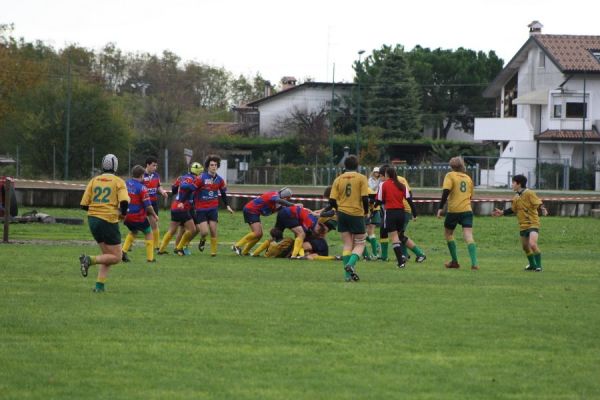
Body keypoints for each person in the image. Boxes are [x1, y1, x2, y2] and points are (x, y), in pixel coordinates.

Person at [79, 154, 130, 292]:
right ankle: (89, 260)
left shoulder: (94, 180)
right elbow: (124, 202)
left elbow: (83, 205)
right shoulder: (118, 181)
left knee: (107, 256)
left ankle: (99, 286)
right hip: (108, 219)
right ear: (116, 166)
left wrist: (97, 209)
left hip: (93, 220)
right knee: (117, 257)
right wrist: (122, 214)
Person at [492, 174, 548, 271]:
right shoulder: (516, 197)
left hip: (532, 223)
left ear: (519, 184)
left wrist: (543, 209)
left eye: (513, 183)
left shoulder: (529, 193)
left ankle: (539, 266)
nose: (512, 185)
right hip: (523, 225)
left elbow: (538, 203)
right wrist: (502, 212)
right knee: (525, 247)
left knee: (532, 244)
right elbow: (513, 209)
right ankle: (532, 265)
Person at [329, 154, 369, 282]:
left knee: (347, 244)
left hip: (342, 213)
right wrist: (366, 211)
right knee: (360, 243)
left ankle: (347, 276)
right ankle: (350, 264)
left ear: (344, 166)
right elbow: (365, 197)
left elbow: (331, 200)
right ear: (357, 166)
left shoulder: (338, 179)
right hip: (356, 213)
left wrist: (337, 209)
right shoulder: (361, 178)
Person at [376, 167, 426, 268]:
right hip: (401, 213)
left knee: (394, 237)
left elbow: (380, 200)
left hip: (390, 212)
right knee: (400, 236)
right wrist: (415, 213)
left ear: (386, 175)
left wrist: (374, 203)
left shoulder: (383, 184)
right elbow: (409, 199)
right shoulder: (401, 184)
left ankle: (400, 261)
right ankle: (418, 254)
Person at [436, 157, 479, 270]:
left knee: (448, 234)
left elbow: (446, 191)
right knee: (468, 236)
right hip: (467, 210)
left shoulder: (450, 175)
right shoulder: (468, 178)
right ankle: (474, 263)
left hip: (454, 210)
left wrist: (440, 208)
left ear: (451, 166)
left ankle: (455, 261)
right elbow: (470, 196)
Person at [233, 187, 296, 256]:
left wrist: (295, 208)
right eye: (287, 198)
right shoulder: (274, 195)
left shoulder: (278, 202)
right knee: (257, 233)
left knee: (259, 235)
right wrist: (292, 205)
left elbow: (283, 208)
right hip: (251, 210)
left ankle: (245, 252)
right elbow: (279, 201)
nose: (287, 200)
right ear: (284, 196)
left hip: (254, 212)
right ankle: (237, 246)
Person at [192, 155, 234, 257]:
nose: (214, 167)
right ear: (208, 166)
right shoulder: (201, 178)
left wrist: (227, 205)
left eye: (215, 165)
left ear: (217, 166)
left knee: (213, 230)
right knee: (205, 232)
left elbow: (223, 194)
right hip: (201, 208)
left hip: (213, 208)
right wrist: (191, 203)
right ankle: (202, 240)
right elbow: (192, 191)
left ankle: (213, 252)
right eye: (211, 165)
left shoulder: (220, 180)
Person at [157, 162, 202, 256]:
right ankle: (179, 248)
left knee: (172, 230)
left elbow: (173, 189)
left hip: (174, 206)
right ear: (198, 172)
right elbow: (188, 188)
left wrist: (180, 185)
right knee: (192, 229)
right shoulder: (195, 179)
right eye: (200, 173)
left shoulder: (181, 177)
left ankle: (161, 250)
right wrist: (187, 189)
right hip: (183, 208)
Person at [122, 165, 158, 263]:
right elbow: (148, 206)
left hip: (126, 216)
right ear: (142, 176)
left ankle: (123, 252)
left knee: (134, 231)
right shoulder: (142, 188)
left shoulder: (126, 183)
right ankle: (150, 258)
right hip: (138, 217)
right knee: (148, 232)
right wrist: (154, 214)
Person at [143, 156, 168, 251]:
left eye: (156, 166)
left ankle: (155, 245)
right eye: (153, 165)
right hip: (144, 204)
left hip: (153, 202)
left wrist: (162, 192)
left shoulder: (156, 175)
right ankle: (156, 246)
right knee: (151, 224)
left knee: (154, 224)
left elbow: (158, 187)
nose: (155, 167)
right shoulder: (141, 176)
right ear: (148, 165)